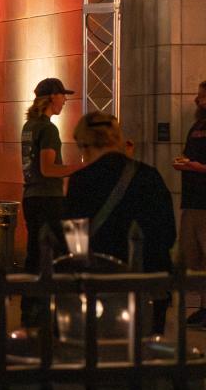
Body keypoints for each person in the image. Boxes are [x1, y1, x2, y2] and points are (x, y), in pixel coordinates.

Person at [65, 111, 176, 332]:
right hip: (149, 280)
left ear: (85, 145)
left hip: (100, 285)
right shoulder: (149, 176)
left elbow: (74, 239)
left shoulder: (80, 181)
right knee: (144, 353)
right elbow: (168, 232)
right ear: (117, 139)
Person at [21, 78, 81, 324]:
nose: (65, 100)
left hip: (31, 197)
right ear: (51, 98)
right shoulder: (48, 129)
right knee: (58, 253)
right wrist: (81, 167)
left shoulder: (29, 125)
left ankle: (30, 308)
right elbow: (48, 168)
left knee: (35, 253)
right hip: (48, 197)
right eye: (62, 95)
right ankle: (52, 309)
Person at [175, 80, 206, 326]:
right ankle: (203, 307)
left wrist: (198, 168)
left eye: (202, 96)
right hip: (193, 201)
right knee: (194, 258)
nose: (197, 100)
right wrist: (184, 163)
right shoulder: (197, 125)